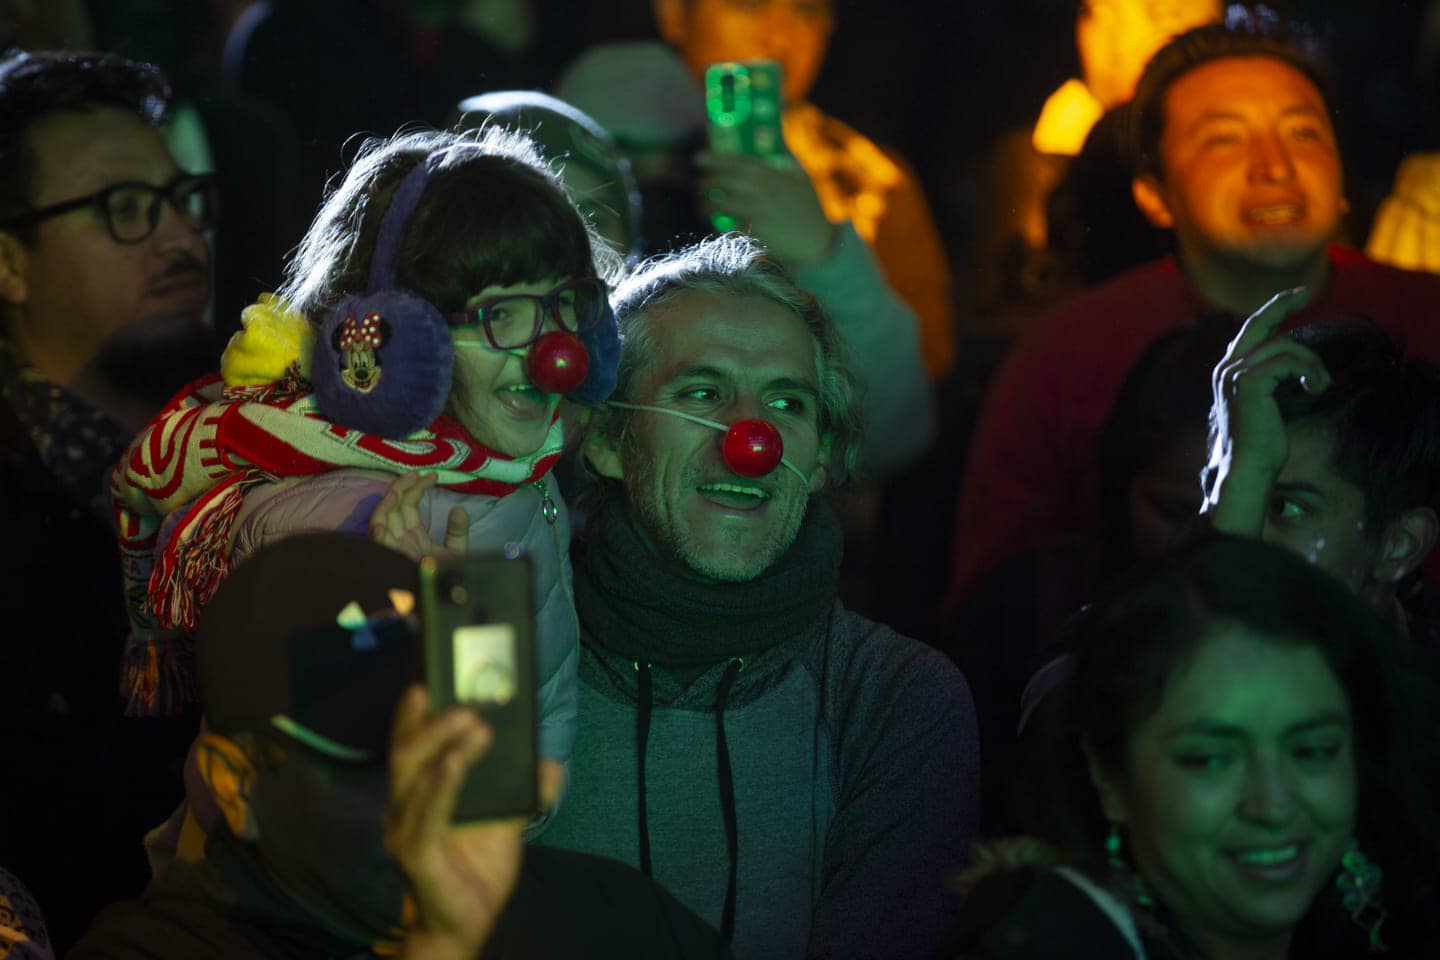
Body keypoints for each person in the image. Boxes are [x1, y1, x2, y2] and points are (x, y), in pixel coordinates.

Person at [110, 127, 619, 860]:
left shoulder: (491, 478)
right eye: (497, 315)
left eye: (562, 304)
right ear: (389, 342)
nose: (553, 352)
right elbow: (456, 800)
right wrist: (444, 617)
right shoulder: (356, 521)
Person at [535, 234, 980, 960]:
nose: (752, 439)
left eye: (787, 402)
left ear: (824, 458)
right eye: (702, 393)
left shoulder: (896, 700)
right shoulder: (506, 664)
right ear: (610, 440)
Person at [946, 8, 1440, 618]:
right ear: (1154, 194)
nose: (1275, 167)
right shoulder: (1068, 352)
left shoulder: (1424, 316)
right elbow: (998, 608)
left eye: (1303, 132)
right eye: (1224, 138)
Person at [70, 532, 730, 959]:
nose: (432, 780)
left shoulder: (622, 922)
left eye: (449, 730)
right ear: (237, 784)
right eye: (380, 746)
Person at [939, 535, 1440, 958]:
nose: (1274, 804)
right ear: (1110, 778)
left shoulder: (1377, 914)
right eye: (1210, 759)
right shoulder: (1051, 941)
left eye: (1312, 751)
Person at [0, 49, 216, 946]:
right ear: (10, 263)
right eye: (122, 208)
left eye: (181, 197)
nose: (179, 238)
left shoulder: (265, 441)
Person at [556, 2, 939, 479]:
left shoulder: (871, 183)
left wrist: (824, 255)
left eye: (807, 11)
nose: (779, 36)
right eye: (749, 4)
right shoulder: (585, 126)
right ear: (675, 12)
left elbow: (895, 430)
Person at [1202, 293, 1440, 653]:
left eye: (1287, 508)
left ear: (1398, 545)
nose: (1238, 523)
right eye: (1221, 491)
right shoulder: (1120, 645)